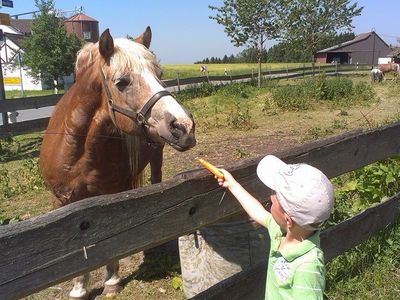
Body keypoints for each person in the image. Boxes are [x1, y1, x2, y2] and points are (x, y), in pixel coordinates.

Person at [216, 155, 334, 300]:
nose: (268, 204)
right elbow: (257, 212)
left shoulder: (307, 266)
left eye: (271, 203)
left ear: (288, 220)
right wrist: (232, 185)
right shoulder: (282, 232)